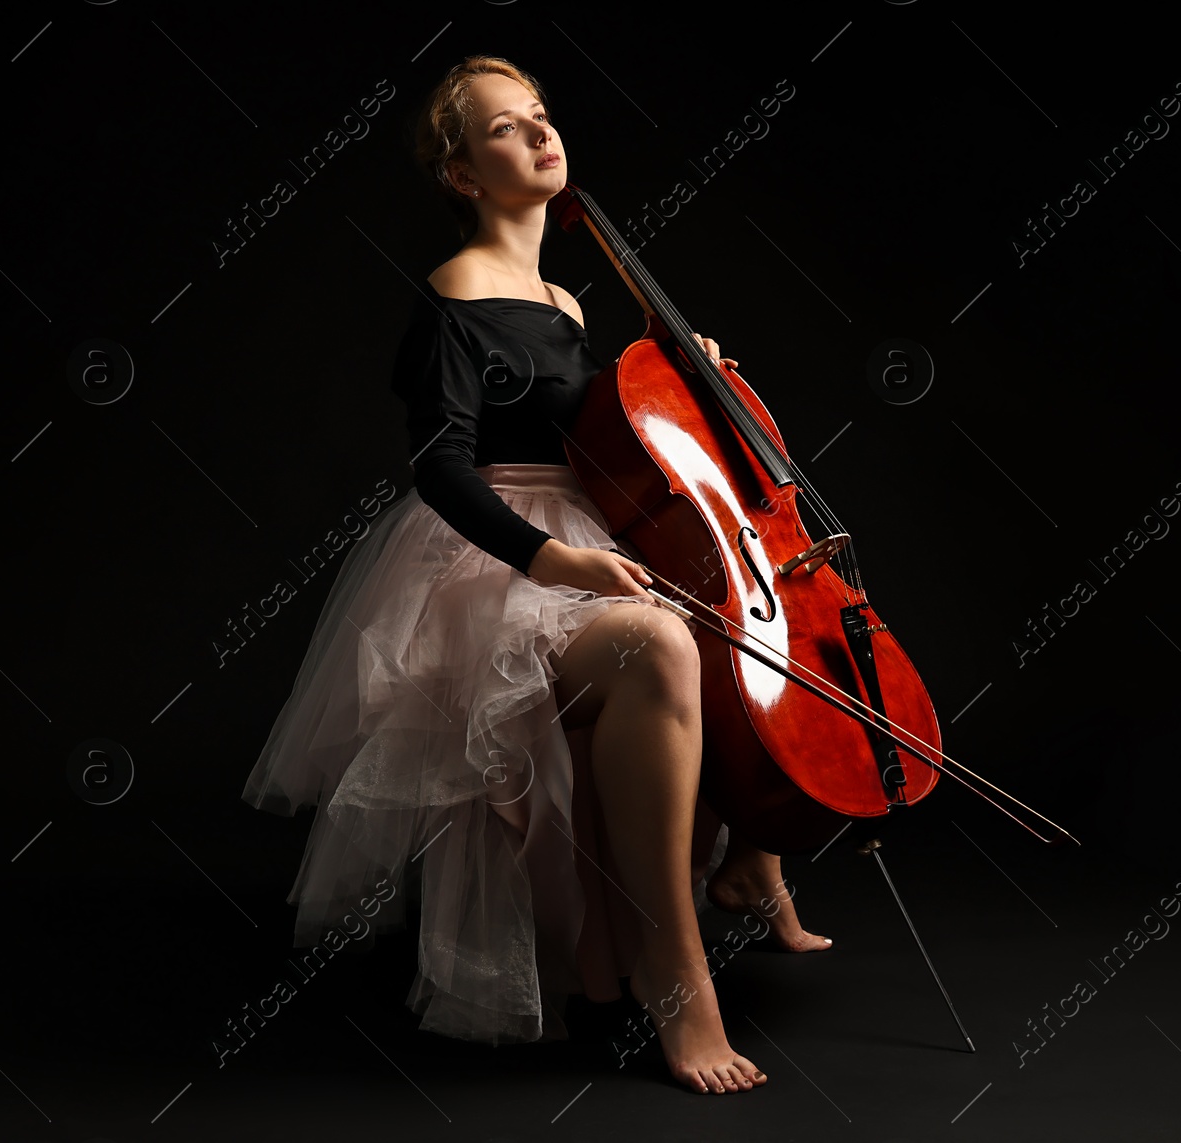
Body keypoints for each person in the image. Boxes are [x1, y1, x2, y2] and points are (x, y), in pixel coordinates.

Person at [241, 55, 829, 1098]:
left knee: (714, 627)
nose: (540, 135)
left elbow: (592, 436)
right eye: (507, 129)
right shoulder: (452, 300)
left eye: (542, 117)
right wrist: (554, 560)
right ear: (462, 174)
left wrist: (671, 375)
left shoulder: (561, 295)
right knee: (654, 642)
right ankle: (671, 973)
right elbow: (440, 467)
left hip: (585, 528)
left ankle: (751, 860)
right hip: (493, 559)